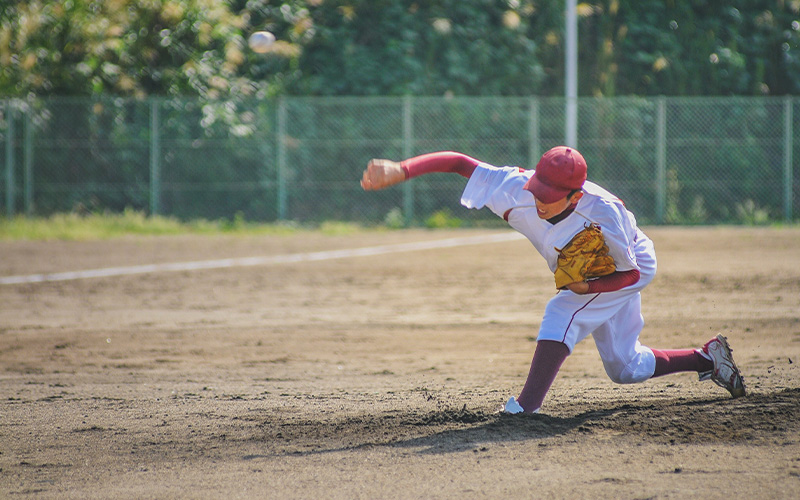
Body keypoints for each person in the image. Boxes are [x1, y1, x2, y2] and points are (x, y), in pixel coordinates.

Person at [360, 147, 745, 414]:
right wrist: (402, 168)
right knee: (625, 368)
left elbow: (629, 273)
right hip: (598, 275)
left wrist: (589, 287)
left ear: (576, 196)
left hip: (628, 267)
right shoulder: (516, 186)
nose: (540, 200)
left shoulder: (604, 212)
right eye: (538, 189)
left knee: (563, 310)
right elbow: (460, 163)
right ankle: (707, 357)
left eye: (551, 195)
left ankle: (525, 407)